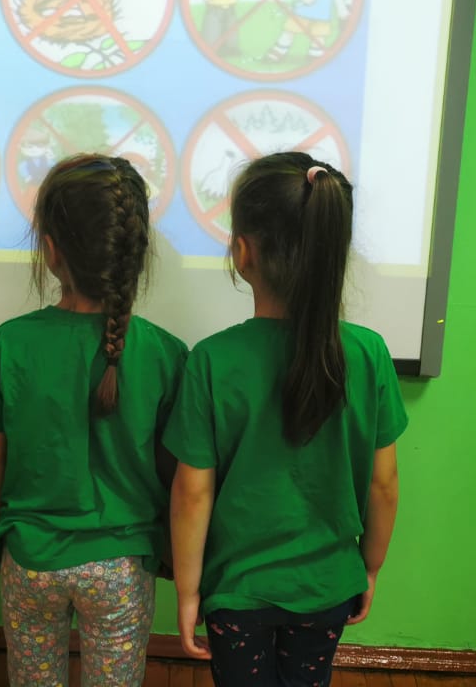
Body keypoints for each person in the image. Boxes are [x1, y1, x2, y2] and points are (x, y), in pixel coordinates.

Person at [165, 151, 406, 687]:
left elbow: (192, 494)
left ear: (242, 251)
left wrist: (186, 591)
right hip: (327, 587)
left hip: (237, 591)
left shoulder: (212, 360)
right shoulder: (369, 354)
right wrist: (369, 567)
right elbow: (384, 485)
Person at [0, 154, 187, 687]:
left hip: (30, 557)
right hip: (121, 567)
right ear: (133, 253)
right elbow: (180, 477)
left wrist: (1, 538)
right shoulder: (166, 353)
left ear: (50, 250)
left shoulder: (10, 342)